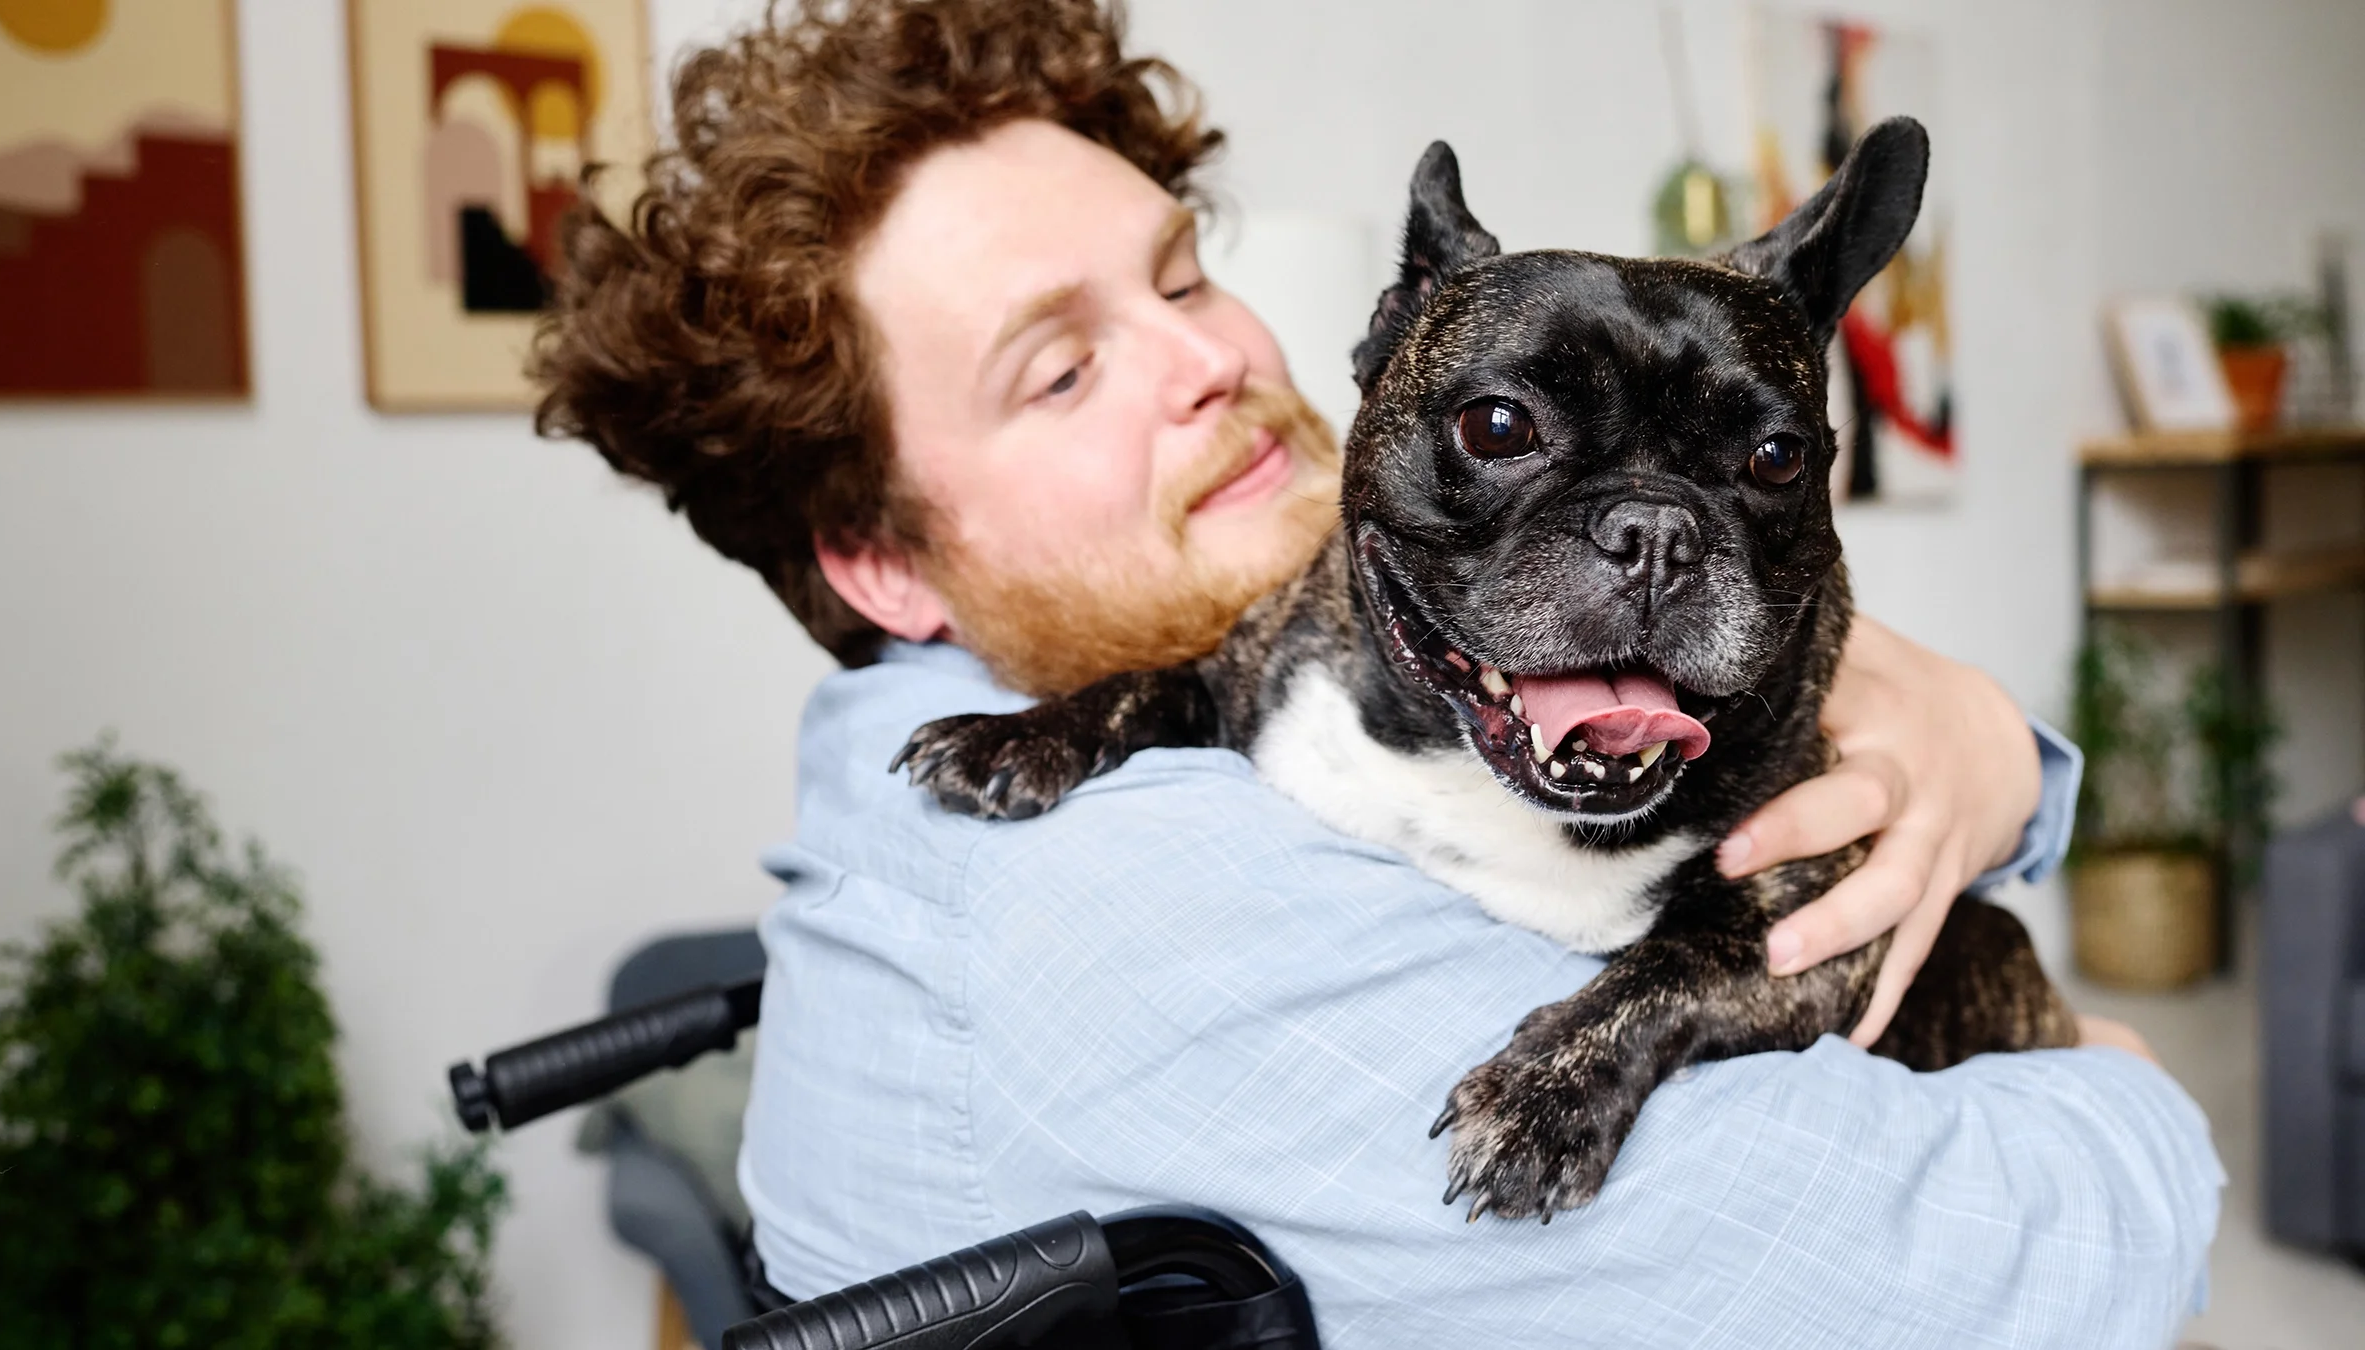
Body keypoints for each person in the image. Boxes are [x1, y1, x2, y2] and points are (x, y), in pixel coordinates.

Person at [532, 1, 2221, 1343]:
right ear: (880, 559)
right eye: (1058, 370)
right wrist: (2136, 1091)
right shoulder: (1124, 924)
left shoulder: (1055, 719)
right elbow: (2003, 1270)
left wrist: (1993, 750)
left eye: (1185, 270)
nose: (1209, 359)